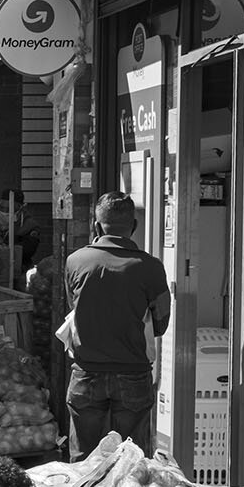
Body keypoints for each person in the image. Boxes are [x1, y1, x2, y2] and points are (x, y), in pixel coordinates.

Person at [63, 191, 171, 456]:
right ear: (133, 227)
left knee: (84, 461)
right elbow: (161, 324)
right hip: (133, 373)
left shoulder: (76, 261)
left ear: (96, 226)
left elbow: (73, 308)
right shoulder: (151, 267)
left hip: (86, 373)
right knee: (133, 461)